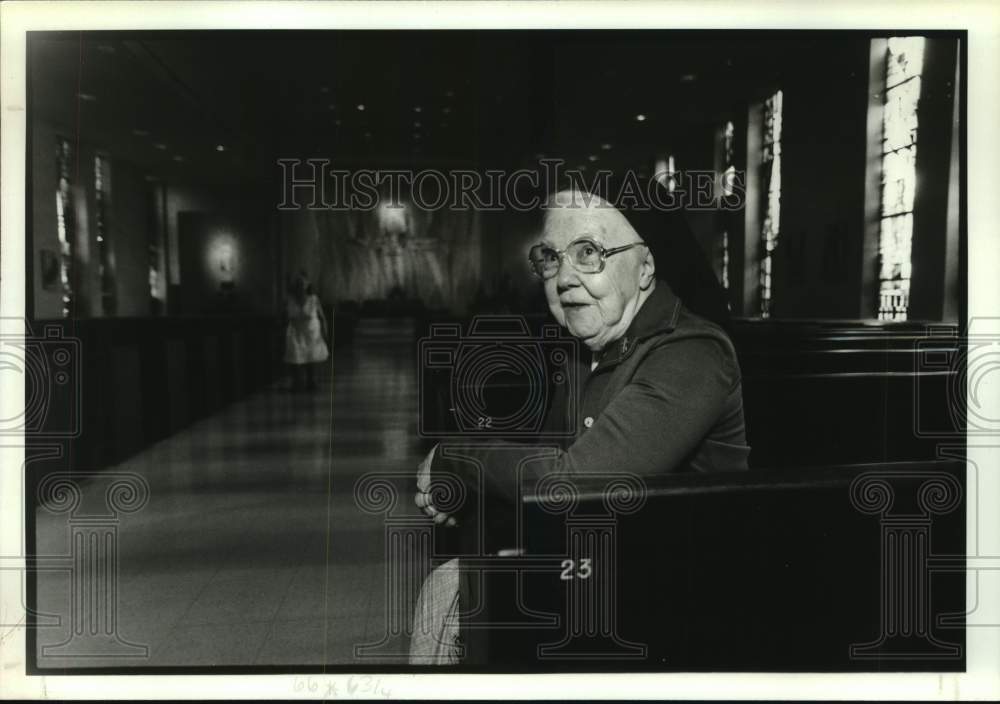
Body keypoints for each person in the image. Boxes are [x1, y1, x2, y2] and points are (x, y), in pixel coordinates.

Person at [408, 189, 750, 663]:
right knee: (449, 587)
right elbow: (544, 474)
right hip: (602, 570)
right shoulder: (583, 349)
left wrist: (457, 457)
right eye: (551, 258)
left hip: (675, 604)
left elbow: (570, 484)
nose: (564, 277)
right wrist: (471, 490)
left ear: (646, 266)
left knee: (449, 594)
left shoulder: (693, 352)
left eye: (589, 252)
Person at [284, 271, 329, 391]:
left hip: (311, 331)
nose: (300, 286)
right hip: (295, 331)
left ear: (307, 285)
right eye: (298, 283)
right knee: (296, 355)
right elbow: (285, 315)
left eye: (303, 283)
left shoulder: (313, 299)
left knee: (311, 355)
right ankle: (297, 381)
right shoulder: (290, 299)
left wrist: (325, 329)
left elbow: (322, 316)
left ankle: (311, 380)